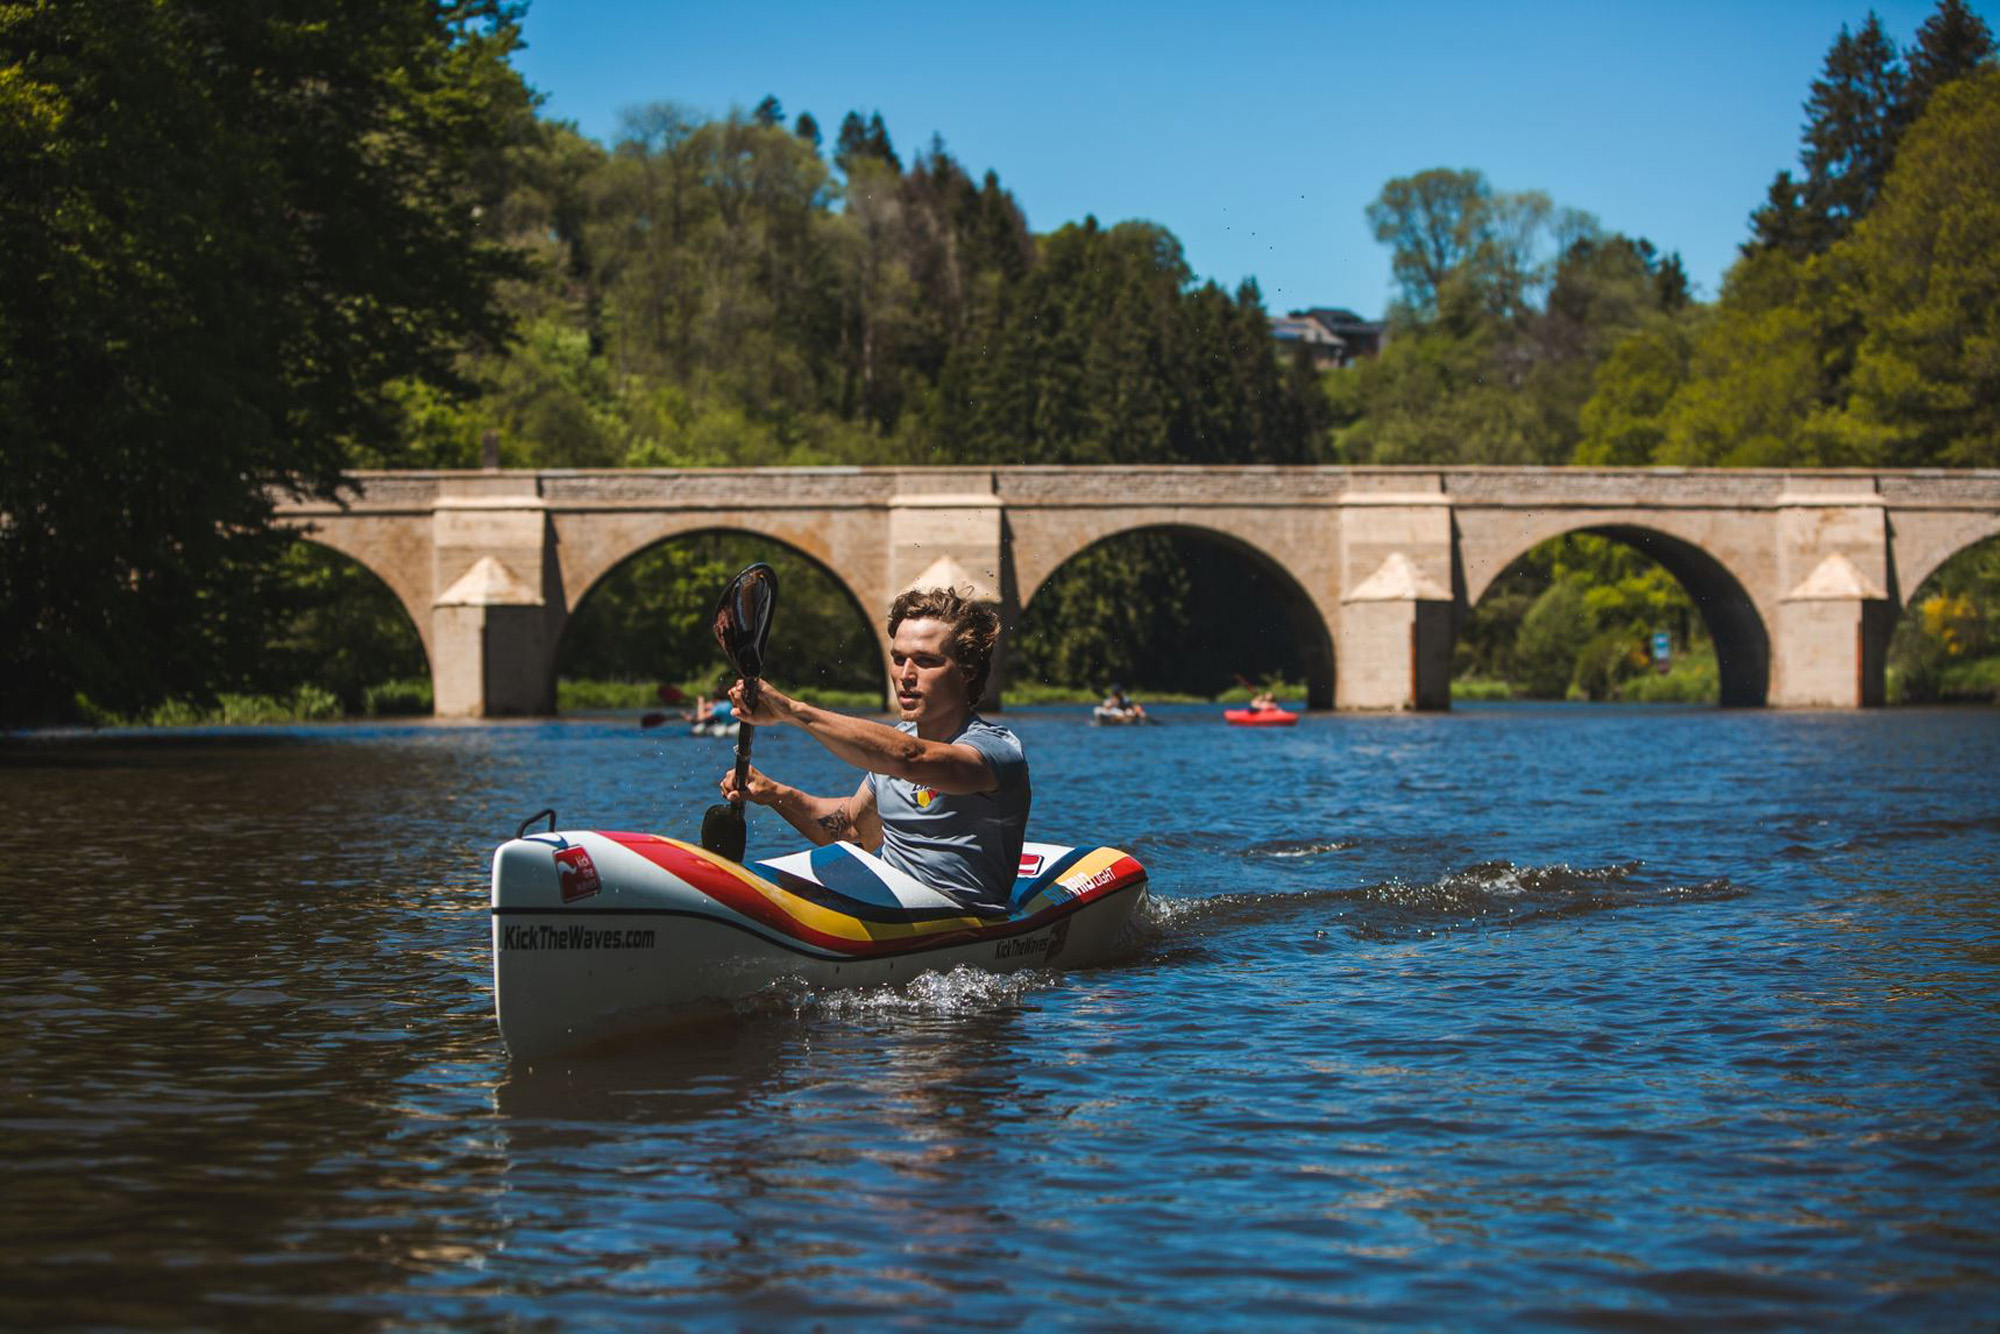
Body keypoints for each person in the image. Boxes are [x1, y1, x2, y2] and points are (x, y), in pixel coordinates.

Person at [718, 586, 1030, 915]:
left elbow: (911, 757)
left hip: (960, 921)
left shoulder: (994, 750)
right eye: (898, 659)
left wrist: (794, 712)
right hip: (887, 906)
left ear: (966, 671)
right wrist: (774, 794)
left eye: (925, 661)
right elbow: (852, 829)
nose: (905, 675)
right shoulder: (896, 742)